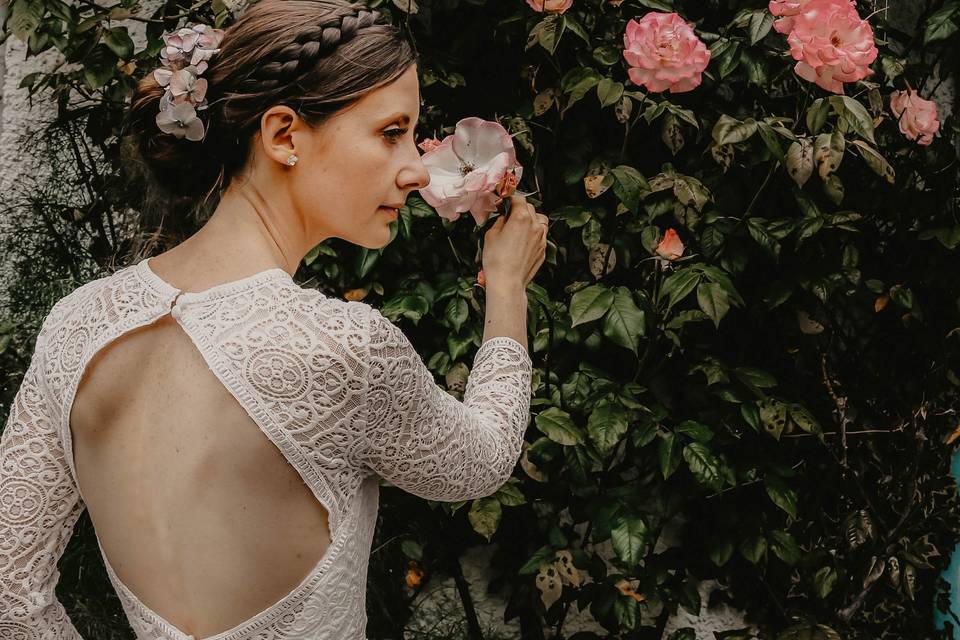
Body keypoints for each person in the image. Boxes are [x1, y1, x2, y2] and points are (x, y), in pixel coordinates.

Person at [0, 0, 548, 637]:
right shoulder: (342, 349)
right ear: (284, 134)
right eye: (391, 132)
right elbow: (479, 462)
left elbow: (8, 589)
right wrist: (507, 289)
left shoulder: (77, 325)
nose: (417, 170)